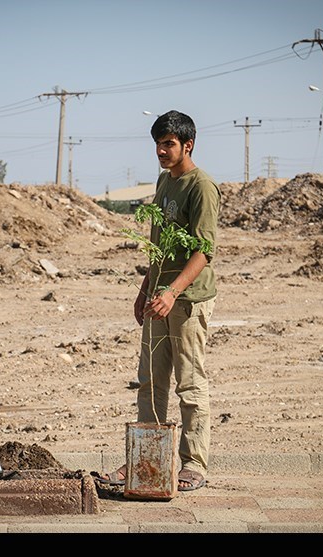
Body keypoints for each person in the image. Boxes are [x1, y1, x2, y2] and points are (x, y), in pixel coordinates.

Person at [97, 110, 220, 492]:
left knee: (189, 382)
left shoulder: (201, 186)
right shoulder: (165, 182)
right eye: (158, 144)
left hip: (186, 301)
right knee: (150, 382)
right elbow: (159, 247)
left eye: (169, 143)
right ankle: (147, 458)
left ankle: (194, 464)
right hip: (158, 299)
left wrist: (172, 292)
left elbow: (204, 251)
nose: (161, 151)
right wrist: (145, 289)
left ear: (188, 145)